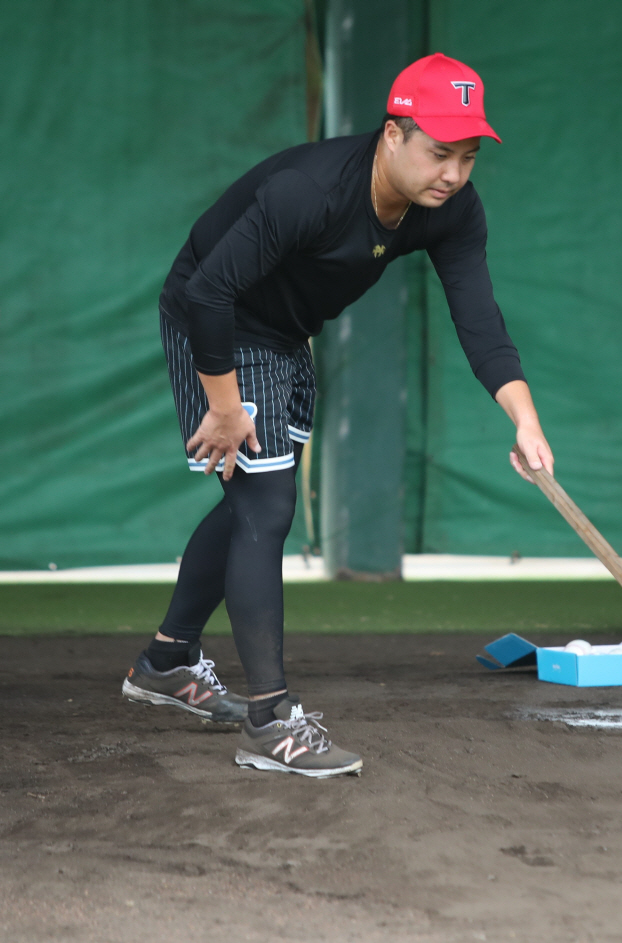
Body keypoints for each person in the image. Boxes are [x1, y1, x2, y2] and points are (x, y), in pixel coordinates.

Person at [120, 53, 553, 778]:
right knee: (266, 498)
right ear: (393, 134)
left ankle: (166, 660)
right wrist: (224, 406)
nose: (453, 173)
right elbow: (207, 294)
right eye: (440, 152)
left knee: (249, 501)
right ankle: (271, 719)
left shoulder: (450, 212)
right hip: (217, 314)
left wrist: (525, 419)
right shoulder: (310, 192)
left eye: (469, 157)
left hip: (286, 331)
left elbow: (480, 320)